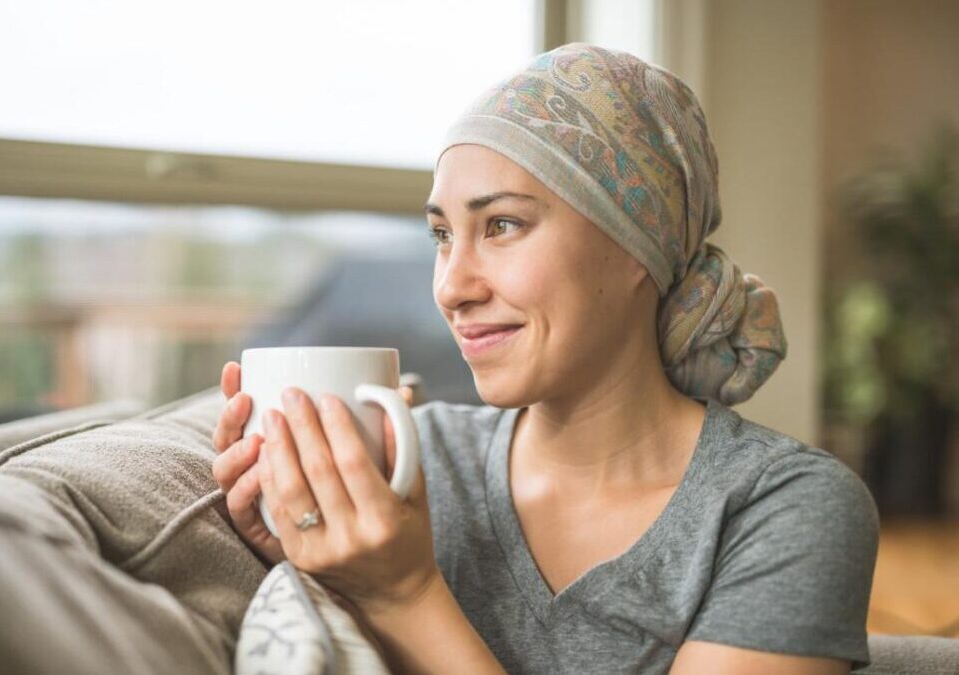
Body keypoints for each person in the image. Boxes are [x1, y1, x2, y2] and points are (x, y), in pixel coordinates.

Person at [211, 43, 879, 674]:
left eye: (501, 225)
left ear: (636, 247)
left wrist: (406, 593)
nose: (450, 286)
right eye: (442, 235)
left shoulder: (784, 506)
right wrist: (314, 562)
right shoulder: (411, 464)